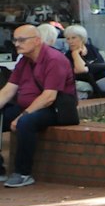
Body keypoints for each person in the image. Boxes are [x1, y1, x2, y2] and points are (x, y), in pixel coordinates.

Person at [0, 23, 78, 187]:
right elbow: (7, 91)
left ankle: (23, 173)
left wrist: (21, 116)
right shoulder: (24, 61)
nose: (16, 44)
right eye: (15, 40)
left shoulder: (54, 59)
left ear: (36, 41)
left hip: (54, 109)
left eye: (21, 40)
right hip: (29, 106)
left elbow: (49, 97)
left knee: (25, 122)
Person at [62, 25, 105, 96]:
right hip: (83, 84)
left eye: (73, 38)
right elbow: (81, 70)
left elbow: (101, 65)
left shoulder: (92, 49)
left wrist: (88, 69)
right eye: (68, 39)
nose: (70, 41)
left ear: (82, 38)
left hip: (100, 80)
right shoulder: (68, 56)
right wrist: (75, 54)